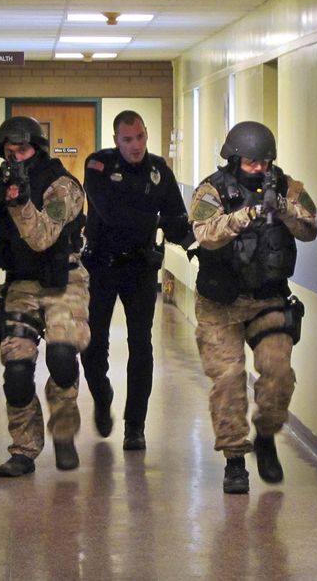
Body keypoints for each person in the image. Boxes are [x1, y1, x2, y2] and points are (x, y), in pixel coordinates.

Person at [189, 120, 317, 494]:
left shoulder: (288, 187)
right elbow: (204, 234)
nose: (259, 169)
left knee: (278, 373)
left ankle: (266, 433)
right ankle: (234, 459)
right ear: (233, 159)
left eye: (264, 162)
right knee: (228, 380)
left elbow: (310, 228)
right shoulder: (211, 190)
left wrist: (281, 209)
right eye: (250, 163)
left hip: (268, 298)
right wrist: (246, 216)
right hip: (220, 304)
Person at [0, 116, 90, 477]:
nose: (15, 157)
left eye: (22, 149)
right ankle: (24, 449)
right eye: (8, 151)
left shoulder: (63, 186)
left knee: (63, 359)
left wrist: (20, 202)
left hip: (64, 282)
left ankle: (63, 433)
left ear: (37, 148)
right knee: (17, 373)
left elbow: (41, 239)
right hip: (20, 285)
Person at [80, 110, 191, 451]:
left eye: (140, 137)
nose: (136, 145)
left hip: (141, 268)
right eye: (128, 139)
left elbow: (175, 219)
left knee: (141, 344)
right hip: (102, 265)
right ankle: (101, 395)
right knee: (93, 343)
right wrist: (152, 217)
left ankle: (135, 426)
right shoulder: (98, 165)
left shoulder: (159, 171)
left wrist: (198, 246)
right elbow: (111, 213)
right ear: (116, 141)